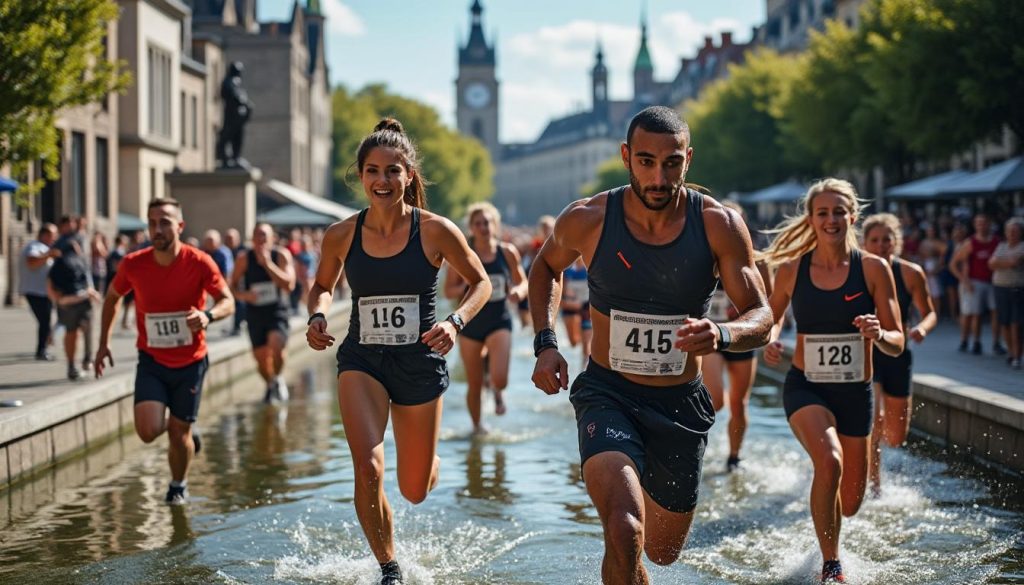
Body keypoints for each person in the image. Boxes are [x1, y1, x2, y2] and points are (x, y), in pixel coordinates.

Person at [529, 107, 772, 584]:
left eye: (671, 163)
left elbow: (762, 315)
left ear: (689, 160)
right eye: (645, 162)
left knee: (660, 552)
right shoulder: (589, 218)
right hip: (607, 394)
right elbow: (544, 269)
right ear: (625, 157)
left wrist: (723, 333)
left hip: (679, 403)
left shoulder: (720, 223)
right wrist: (546, 343)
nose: (658, 177)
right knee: (623, 527)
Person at [305, 118, 491, 585]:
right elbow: (322, 286)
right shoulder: (341, 234)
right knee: (368, 467)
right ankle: (390, 567)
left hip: (418, 363)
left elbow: (480, 282)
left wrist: (455, 321)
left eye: (392, 171)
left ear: (409, 175)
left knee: (414, 490)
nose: (382, 181)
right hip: (362, 360)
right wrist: (317, 316)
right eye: (372, 171)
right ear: (361, 175)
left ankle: (428, 463)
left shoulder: (435, 230)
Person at [761, 179, 904, 584]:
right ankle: (832, 563)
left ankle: (825, 497)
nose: (831, 219)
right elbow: (770, 320)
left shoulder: (873, 268)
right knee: (830, 460)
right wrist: (771, 341)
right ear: (810, 219)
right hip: (806, 385)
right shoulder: (792, 269)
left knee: (852, 501)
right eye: (822, 212)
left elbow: (897, 340)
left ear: (852, 216)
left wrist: (880, 334)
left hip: (854, 393)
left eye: (839, 211)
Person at [94, 198, 234, 505]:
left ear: (180, 226)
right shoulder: (133, 263)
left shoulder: (198, 261)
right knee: (147, 431)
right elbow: (112, 298)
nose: (157, 229)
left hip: (191, 361)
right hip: (153, 359)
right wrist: (103, 343)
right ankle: (183, 428)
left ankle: (177, 484)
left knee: (178, 432)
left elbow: (227, 300)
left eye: (165, 222)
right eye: (152, 222)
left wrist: (207, 316)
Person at [861, 213, 937, 496]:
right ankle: (874, 484)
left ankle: (870, 469)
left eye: (886, 239)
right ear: (864, 243)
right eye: (875, 240)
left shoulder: (910, 273)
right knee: (874, 419)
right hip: (869, 353)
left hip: (898, 354)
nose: (881, 245)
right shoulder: (859, 271)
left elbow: (929, 312)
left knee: (895, 436)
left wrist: (922, 329)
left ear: (896, 241)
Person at [443, 202, 528, 435]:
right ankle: (478, 426)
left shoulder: (507, 252)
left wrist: (518, 292)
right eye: (478, 223)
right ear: (471, 228)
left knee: (500, 379)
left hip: (499, 319)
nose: (483, 227)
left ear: (495, 225)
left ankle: (497, 388)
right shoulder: (463, 256)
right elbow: (447, 291)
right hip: (471, 323)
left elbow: (522, 281)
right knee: (475, 383)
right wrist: (463, 286)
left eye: (487, 222)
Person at [702, 200, 773, 472]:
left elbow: (769, 303)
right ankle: (694, 444)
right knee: (716, 400)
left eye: (736, 222)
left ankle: (734, 457)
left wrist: (771, 330)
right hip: (711, 337)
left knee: (739, 403)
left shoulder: (757, 261)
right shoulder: (702, 258)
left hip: (744, 337)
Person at [230, 223, 296, 402]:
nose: (260, 240)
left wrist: (268, 264)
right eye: (257, 236)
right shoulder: (244, 258)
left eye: (264, 236)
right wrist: (244, 296)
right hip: (255, 313)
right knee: (260, 359)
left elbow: (288, 285)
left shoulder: (281, 255)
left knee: (277, 346)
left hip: (277, 311)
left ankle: (278, 377)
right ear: (251, 239)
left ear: (272, 238)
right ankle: (270, 383)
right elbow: (231, 286)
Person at [48, 225, 101, 380]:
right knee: (88, 329)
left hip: (65, 302)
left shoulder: (56, 264)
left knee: (70, 333)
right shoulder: (81, 261)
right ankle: (87, 359)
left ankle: (71, 365)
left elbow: (49, 285)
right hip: (83, 300)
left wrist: (58, 299)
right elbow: (88, 282)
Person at [950, 214, 1003, 355]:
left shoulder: (996, 241)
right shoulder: (970, 243)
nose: (982, 226)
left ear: (989, 224)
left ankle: (996, 342)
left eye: (984, 223)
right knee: (975, 314)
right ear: (975, 225)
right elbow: (953, 264)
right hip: (974, 281)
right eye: (978, 223)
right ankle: (973, 341)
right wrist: (964, 281)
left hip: (994, 281)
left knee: (996, 313)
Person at [20, 223, 59, 361]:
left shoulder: (45, 248)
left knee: (46, 321)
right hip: (35, 291)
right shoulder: (35, 246)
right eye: (52, 235)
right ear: (43, 234)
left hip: (44, 292)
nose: (54, 238)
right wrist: (49, 255)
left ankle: (44, 347)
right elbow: (32, 262)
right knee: (45, 321)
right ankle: (41, 351)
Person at [989, 217, 1024, 369]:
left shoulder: (1022, 247)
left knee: (1016, 323)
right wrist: (1005, 263)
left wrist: (1000, 263)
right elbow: (991, 263)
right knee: (1004, 322)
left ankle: (1017, 355)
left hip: (1017, 288)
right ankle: (1011, 352)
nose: (1012, 234)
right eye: (1009, 231)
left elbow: (1015, 262)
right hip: (1000, 287)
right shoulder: (1002, 246)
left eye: (1015, 231)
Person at [560, 257, 593, 369]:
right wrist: (568, 302)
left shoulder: (590, 267)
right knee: (573, 342)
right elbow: (560, 295)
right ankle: (581, 333)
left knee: (586, 346)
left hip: (586, 307)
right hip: (570, 306)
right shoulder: (567, 270)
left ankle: (585, 372)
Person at [225, 228, 247, 335]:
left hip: (242, 283)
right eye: (227, 239)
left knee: (239, 304)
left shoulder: (243, 252)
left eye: (231, 239)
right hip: (231, 282)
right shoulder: (225, 251)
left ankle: (238, 326)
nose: (228, 242)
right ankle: (236, 325)